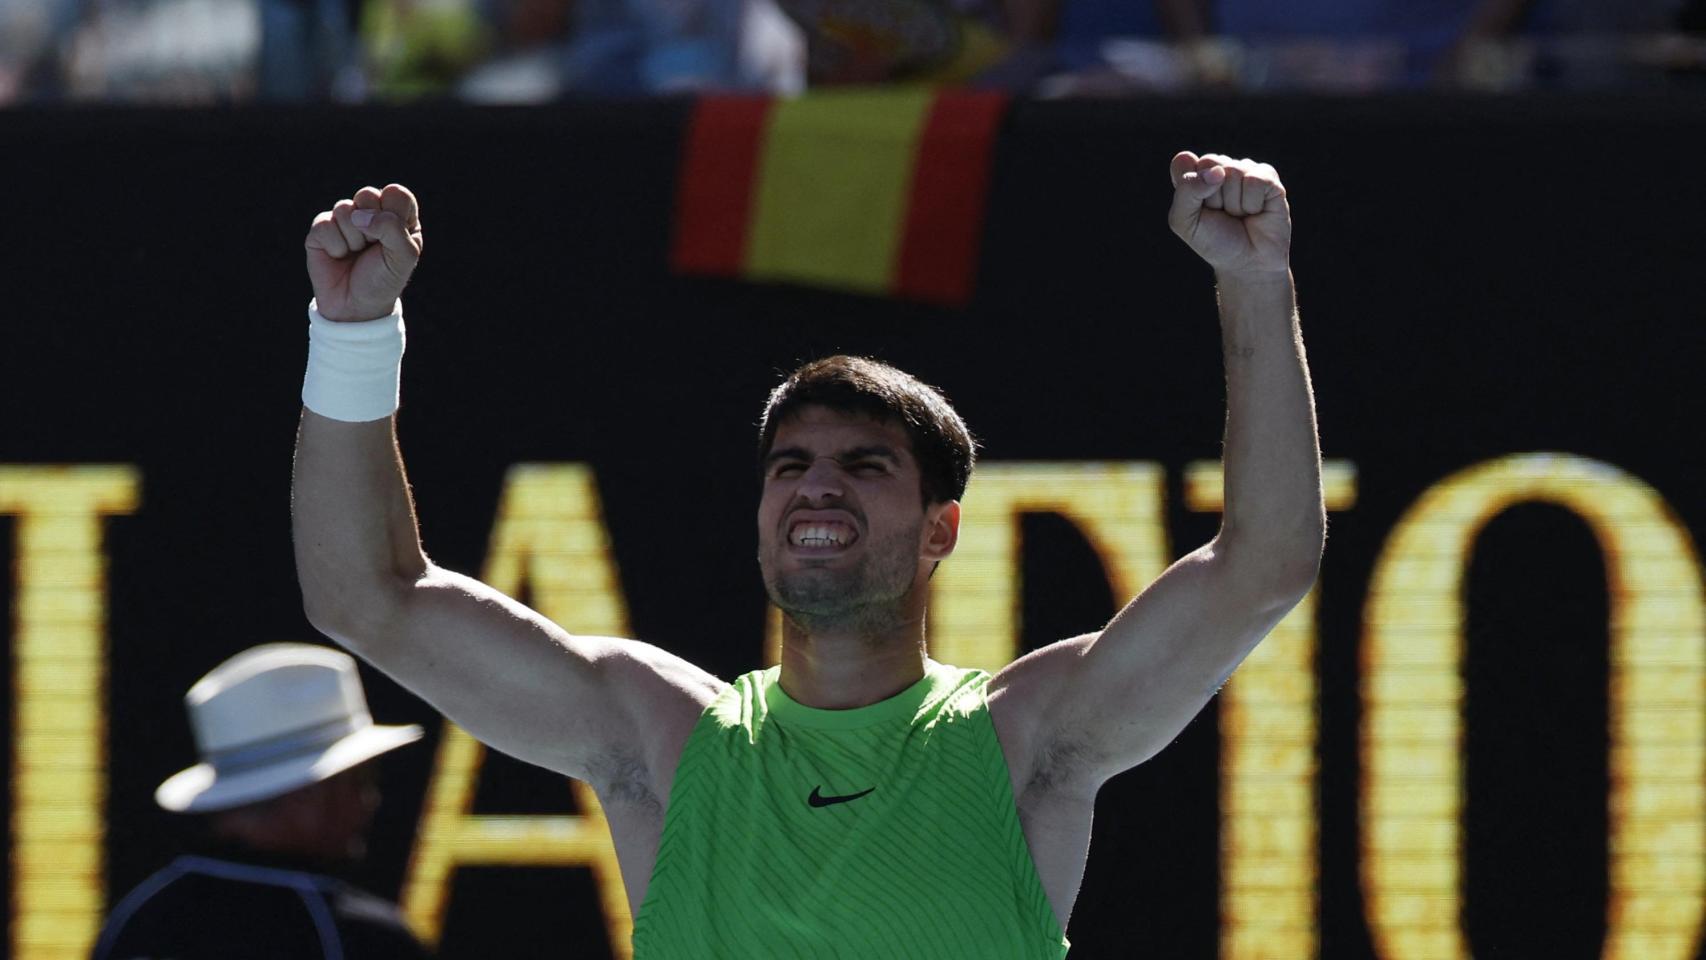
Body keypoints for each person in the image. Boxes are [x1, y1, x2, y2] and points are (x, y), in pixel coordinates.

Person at [290, 150, 1323, 956]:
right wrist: (353, 334)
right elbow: (366, 600)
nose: (816, 486)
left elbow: (1264, 563)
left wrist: (1254, 281)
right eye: (790, 466)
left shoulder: (1023, 740)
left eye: (865, 465)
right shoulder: (663, 739)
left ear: (939, 530)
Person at [93, 644, 433, 960]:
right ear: (305, 794)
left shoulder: (137, 922)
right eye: (359, 781)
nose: (370, 801)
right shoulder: (360, 939)